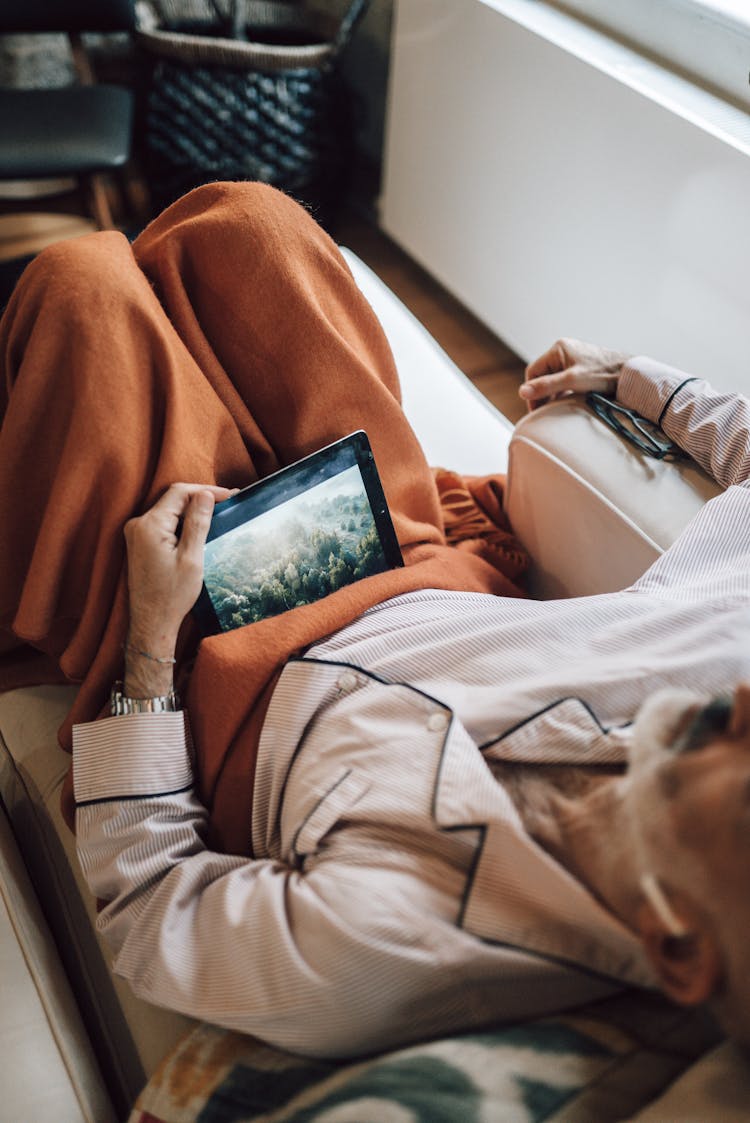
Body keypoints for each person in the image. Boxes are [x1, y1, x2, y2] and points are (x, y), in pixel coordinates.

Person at [1, 183, 749, 1061]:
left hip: (225, 667)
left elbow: (155, 909)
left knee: (82, 287)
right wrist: (640, 385)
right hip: (409, 552)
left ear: (679, 945)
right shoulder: (731, 664)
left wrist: (147, 651)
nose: (742, 709)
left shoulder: (406, 942)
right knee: (248, 225)